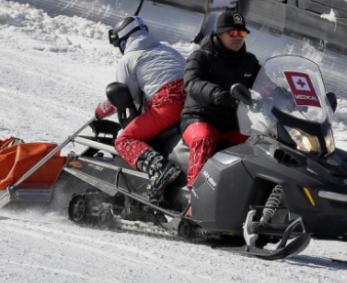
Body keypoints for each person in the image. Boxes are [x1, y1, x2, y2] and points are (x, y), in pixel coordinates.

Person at [95, 16, 187, 197]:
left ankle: (160, 169)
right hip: (191, 104)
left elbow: (123, 96)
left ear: (123, 43)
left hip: (168, 107)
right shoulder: (169, 50)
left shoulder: (128, 59)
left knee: (124, 141)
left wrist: (99, 111)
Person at [181, 11, 261, 190]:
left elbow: (266, 84)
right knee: (204, 139)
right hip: (200, 118)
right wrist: (215, 93)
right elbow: (192, 82)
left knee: (262, 144)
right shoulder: (201, 56)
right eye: (233, 33)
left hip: (234, 124)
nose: (238, 38)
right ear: (219, 34)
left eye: (242, 33)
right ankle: (195, 200)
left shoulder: (249, 62)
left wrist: (286, 97)